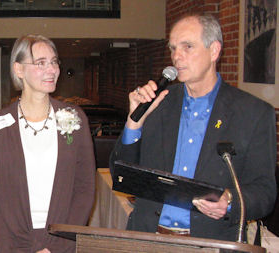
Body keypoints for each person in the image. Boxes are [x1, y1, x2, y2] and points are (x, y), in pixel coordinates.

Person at [110, 14, 277, 241]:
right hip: (150, 239)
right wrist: (134, 123)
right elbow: (120, 175)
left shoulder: (253, 113)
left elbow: (265, 192)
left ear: (214, 51)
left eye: (187, 46)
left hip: (211, 242)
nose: (176, 57)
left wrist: (229, 202)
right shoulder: (157, 104)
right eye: (173, 48)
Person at [0, 35, 96, 252]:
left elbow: (85, 188)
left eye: (54, 62)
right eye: (41, 63)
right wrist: (12, 247)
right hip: (7, 242)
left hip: (61, 240)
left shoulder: (75, 118)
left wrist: (60, 243)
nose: (52, 69)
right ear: (19, 69)